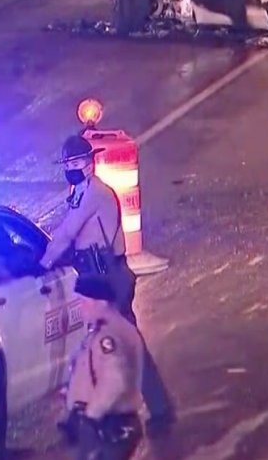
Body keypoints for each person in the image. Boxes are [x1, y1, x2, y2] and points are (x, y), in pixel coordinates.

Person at [41, 134, 177, 431]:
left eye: (75, 162)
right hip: (95, 273)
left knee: (127, 343)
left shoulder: (95, 193)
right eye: (67, 164)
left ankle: (159, 408)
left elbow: (67, 233)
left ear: (89, 164)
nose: (71, 168)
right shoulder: (81, 191)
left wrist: (41, 263)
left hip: (109, 275)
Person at [59, 276, 145, 460]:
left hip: (110, 425)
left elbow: (115, 381)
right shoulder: (104, 330)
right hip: (107, 423)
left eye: (84, 302)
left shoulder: (109, 335)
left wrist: (90, 416)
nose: (80, 308)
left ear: (101, 302)